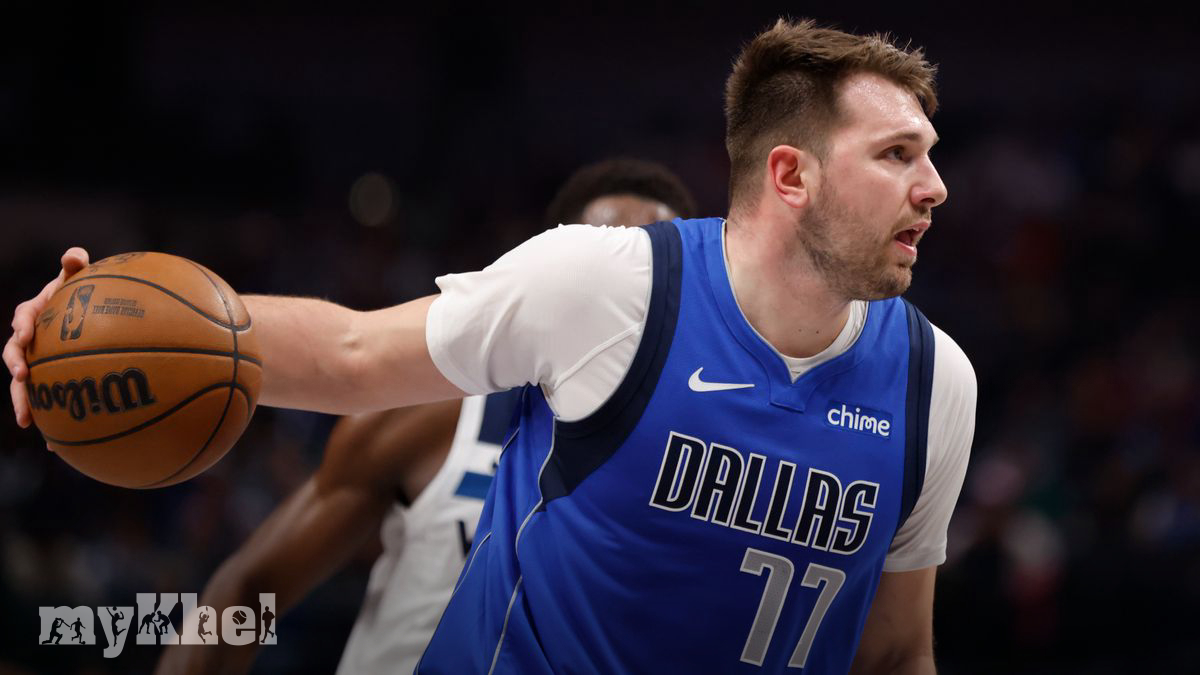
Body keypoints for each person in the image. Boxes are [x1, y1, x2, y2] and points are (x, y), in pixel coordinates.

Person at [8, 19, 976, 674]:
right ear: (790, 176)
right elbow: (347, 356)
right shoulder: (604, 291)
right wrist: (90, 320)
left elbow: (898, 655)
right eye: (898, 154)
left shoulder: (935, 384)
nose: (935, 186)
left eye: (930, 154)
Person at [151, 159, 696, 675]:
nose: (630, 294)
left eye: (649, 273)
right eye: (613, 267)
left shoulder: (699, 476)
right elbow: (249, 590)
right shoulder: (436, 417)